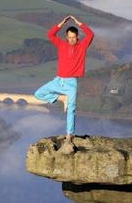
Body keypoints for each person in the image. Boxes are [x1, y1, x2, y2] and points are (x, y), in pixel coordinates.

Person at [34, 15, 94, 154]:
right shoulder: (62, 44)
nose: (72, 39)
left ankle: (69, 135)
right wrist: (61, 23)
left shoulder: (82, 46)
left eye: (74, 37)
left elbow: (91, 34)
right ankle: (61, 98)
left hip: (71, 83)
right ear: (66, 37)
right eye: (70, 37)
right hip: (58, 81)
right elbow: (50, 34)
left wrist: (79, 23)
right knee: (38, 94)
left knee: (71, 109)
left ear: (77, 36)